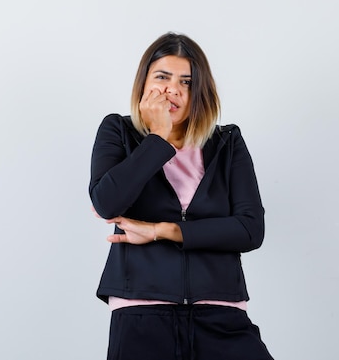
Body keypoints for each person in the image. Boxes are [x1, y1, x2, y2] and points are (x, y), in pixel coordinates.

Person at [89, 32, 274, 360]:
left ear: (198, 92)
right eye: (162, 77)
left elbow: (249, 229)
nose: (172, 89)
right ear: (144, 82)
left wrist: (163, 231)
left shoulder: (226, 143)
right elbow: (107, 202)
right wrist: (157, 138)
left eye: (186, 82)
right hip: (141, 313)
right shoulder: (118, 132)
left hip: (221, 312)